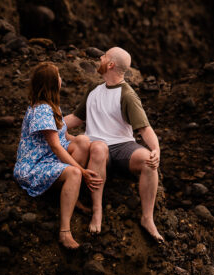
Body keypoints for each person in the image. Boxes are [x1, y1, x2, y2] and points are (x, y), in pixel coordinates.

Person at [63, 46, 163, 242]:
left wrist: (156, 150)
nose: (100, 57)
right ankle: (97, 211)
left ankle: (147, 218)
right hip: (97, 148)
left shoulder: (127, 95)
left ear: (110, 64)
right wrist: (49, 124)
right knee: (99, 147)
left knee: (147, 161)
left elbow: (144, 128)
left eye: (104, 56)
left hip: (123, 147)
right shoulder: (93, 91)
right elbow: (76, 118)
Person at [14, 61, 103, 249]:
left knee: (83, 141)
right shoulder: (42, 111)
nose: (62, 79)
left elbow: (65, 136)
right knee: (75, 173)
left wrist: (96, 143)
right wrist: (82, 171)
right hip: (33, 166)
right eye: (58, 76)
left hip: (47, 158)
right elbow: (56, 147)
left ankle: (71, 192)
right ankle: (64, 231)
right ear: (53, 84)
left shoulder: (52, 106)